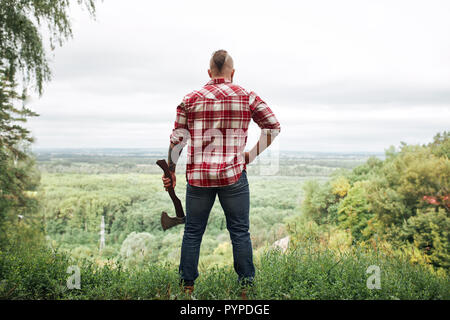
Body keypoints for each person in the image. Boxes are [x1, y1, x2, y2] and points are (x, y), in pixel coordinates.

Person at [162, 49, 280, 296]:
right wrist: (251, 154)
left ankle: (186, 289)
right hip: (234, 175)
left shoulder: (190, 99)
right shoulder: (246, 96)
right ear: (232, 73)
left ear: (209, 72)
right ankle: (246, 289)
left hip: (198, 178)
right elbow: (273, 126)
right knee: (239, 231)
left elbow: (177, 139)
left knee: (193, 232)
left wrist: (171, 170)